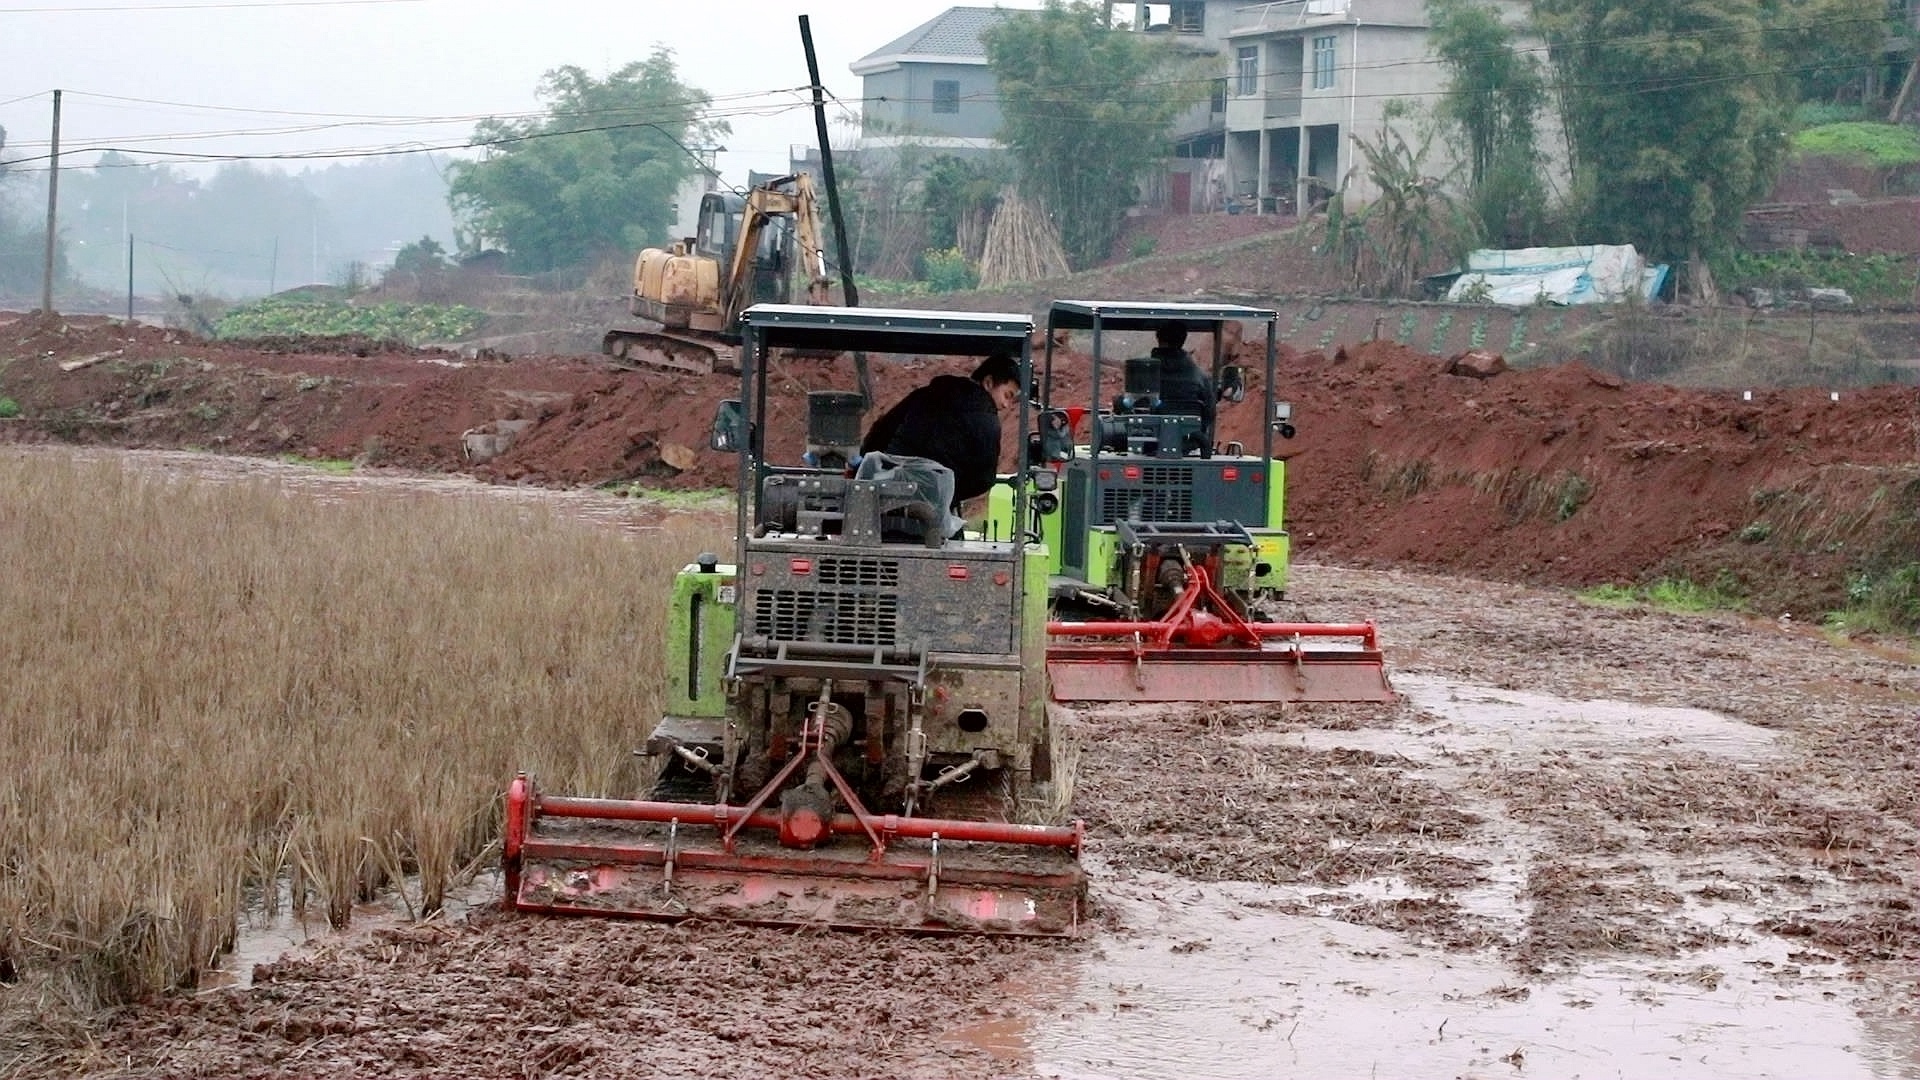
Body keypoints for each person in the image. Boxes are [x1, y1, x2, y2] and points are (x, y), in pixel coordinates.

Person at [860, 352, 1021, 507]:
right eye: (1007, 395)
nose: (1006, 405)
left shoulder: (925, 395)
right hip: (932, 509)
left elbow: (880, 433)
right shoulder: (986, 420)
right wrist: (946, 493)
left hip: (886, 492)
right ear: (988, 383)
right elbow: (983, 479)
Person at [1149, 321, 1215, 450]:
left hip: (1148, 444)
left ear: (1159, 339)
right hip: (1190, 443)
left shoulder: (1144, 373)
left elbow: (1130, 405)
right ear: (1183, 340)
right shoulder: (1200, 377)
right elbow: (1209, 413)